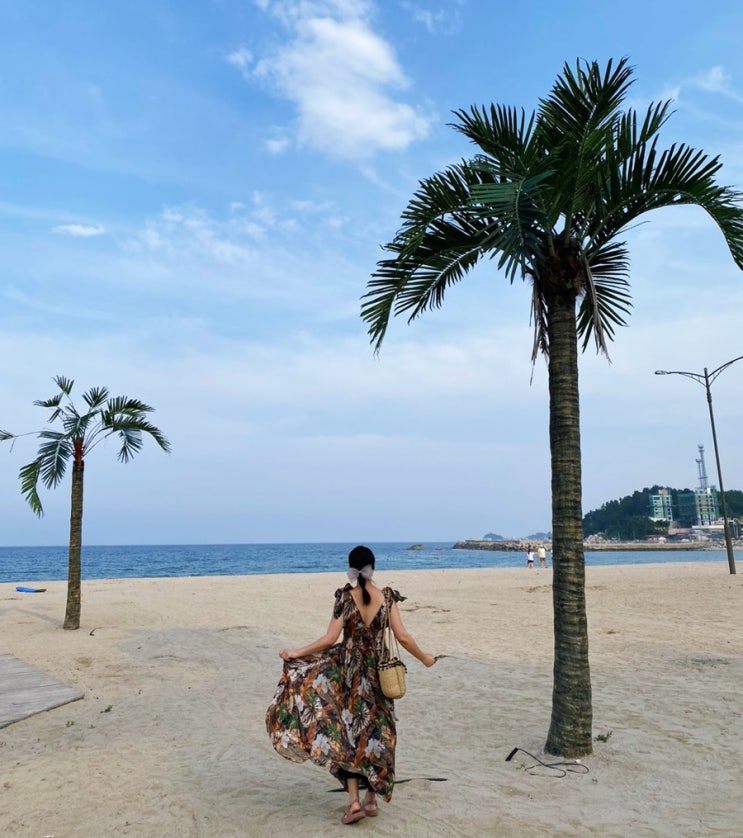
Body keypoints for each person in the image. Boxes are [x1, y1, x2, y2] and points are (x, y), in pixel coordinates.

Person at [265, 545, 437, 825]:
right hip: (377, 676)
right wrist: (425, 658)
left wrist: (297, 653)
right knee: (378, 733)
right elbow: (403, 637)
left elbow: (329, 639)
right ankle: (371, 800)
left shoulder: (345, 597)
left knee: (347, 734)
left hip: (348, 675)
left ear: (351, 568)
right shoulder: (387, 597)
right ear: (373, 567)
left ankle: (354, 802)